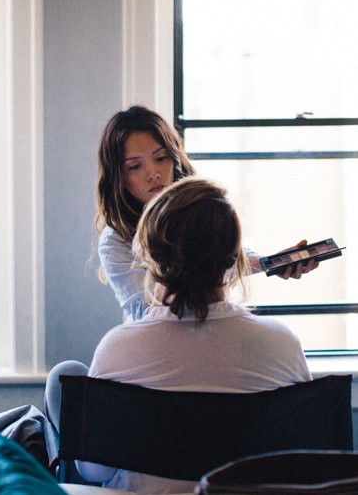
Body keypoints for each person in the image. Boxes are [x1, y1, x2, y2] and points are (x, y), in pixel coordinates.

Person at [79, 177, 313, 493]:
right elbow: (302, 458)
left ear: (151, 258)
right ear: (234, 258)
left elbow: (92, 468)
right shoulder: (282, 343)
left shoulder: (118, 347)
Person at [94, 105, 316, 321]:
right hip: (158, 344)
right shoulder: (115, 241)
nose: (153, 173)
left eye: (161, 158)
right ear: (118, 176)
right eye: (135, 166)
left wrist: (272, 263)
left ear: (175, 158)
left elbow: (225, 255)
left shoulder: (197, 212)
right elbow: (147, 313)